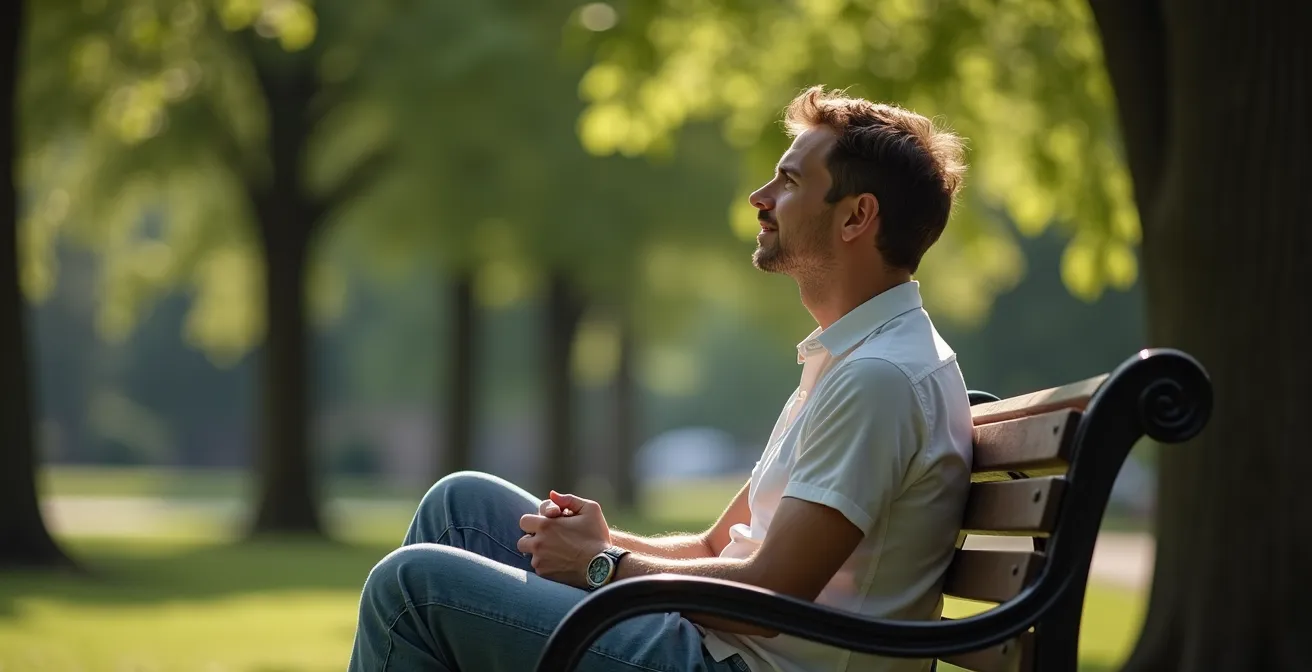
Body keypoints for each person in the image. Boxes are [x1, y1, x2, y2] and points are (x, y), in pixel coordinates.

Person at [347, 85, 975, 672]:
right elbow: (714, 549)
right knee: (461, 509)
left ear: (855, 216)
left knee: (409, 591)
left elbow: (772, 591)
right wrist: (600, 541)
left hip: (734, 662)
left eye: (788, 180)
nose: (760, 197)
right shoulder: (852, 359)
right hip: (717, 643)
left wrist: (600, 565)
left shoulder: (879, 377)